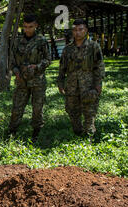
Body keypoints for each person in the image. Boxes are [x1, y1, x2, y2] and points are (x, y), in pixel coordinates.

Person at [57, 19, 105, 140]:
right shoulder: (67, 49)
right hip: (72, 86)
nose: (77, 32)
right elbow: (62, 67)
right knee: (72, 111)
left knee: (89, 111)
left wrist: (98, 84)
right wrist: (60, 83)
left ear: (86, 30)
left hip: (88, 86)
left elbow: (99, 66)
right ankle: (77, 133)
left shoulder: (94, 46)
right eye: (75, 30)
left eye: (80, 29)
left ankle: (89, 136)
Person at [8, 14, 51, 142]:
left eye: (30, 27)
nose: (28, 29)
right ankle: (12, 132)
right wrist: (16, 72)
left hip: (37, 81)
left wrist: (37, 67)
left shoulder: (41, 40)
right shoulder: (17, 41)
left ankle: (36, 133)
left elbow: (48, 60)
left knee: (37, 109)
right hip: (21, 81)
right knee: (17, 108)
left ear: (36, 25)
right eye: (25, 27)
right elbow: (12, 62)